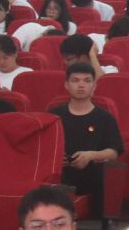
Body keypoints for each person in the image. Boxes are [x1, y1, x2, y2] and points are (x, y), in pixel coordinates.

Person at [49, 62, 122, 204]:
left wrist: (90, 155)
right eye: (75, 80)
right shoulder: (54, 116)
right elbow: (44, 148)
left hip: (92, 177)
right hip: (59, 176)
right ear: (66, 85)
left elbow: (114, 152)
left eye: (87, 81)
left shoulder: (105, 118)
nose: (81, 85)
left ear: (94, 86)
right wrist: (55, 158)